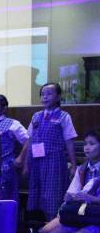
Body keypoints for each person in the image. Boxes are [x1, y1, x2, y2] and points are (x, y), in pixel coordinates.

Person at [22, 82, 79, 220]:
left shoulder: (64, 116)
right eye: (42, 94)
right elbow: (30, 140)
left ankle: (52, 224)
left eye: (49, 94)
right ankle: (43, 225)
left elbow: (69, 141)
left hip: (54, 162)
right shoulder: (36, 116)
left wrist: (74, 165)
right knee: (37, 192)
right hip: (36, 161)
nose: (45, 97)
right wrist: (25, 165)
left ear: (58, 96)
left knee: (52, 195)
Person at [42, 129, 100, 233]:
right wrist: (70, 197)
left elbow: (89, 198)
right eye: (85, 143)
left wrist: (91, 198)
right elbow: (71, 193)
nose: (87, 147)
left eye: (92, 144)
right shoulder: (82, 169)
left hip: (97, 218)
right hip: (82, 216)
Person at [0, 94, 29, 201]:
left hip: (6, 165)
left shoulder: (13, 123)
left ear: (4, 108)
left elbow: (28, 140)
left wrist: (20, 158)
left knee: (7, 195)